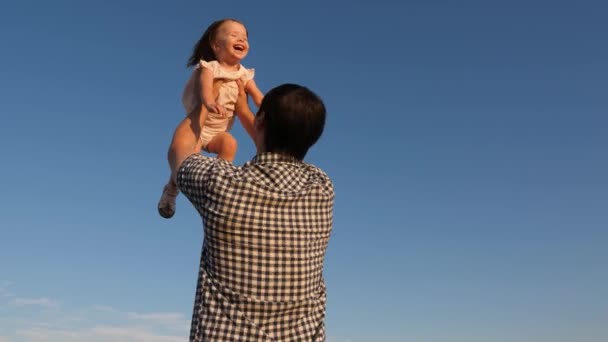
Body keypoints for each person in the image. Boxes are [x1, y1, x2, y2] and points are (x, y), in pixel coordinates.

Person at [167, 79, 334, 341]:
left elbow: (179, 151)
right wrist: (245, 108)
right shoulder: (322, 189)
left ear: (261, 122)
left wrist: (202, 104)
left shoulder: (219, 184)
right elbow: (277, 135)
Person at [158, 18, 264, 219]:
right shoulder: (210, 67)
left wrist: (268, 109)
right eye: (234, 35)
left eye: (245, 37)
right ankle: (171, 191)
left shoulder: (244, 74)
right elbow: (205, 89)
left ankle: (219, 181)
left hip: (217, 132)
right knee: (188, 161)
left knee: (230, 144)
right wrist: (209, 103)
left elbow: (258, 96)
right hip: (199, 127)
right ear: (216, 46)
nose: (241, 39)